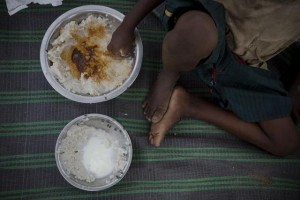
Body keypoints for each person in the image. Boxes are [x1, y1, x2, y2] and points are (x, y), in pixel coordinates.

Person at [107, 0, 300, 156]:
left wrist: (293, 90)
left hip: (248, 63)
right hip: (206, 20)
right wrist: (127, 26)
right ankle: (169, 73)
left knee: (285, 142)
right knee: (196, 31)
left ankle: (188, 105)